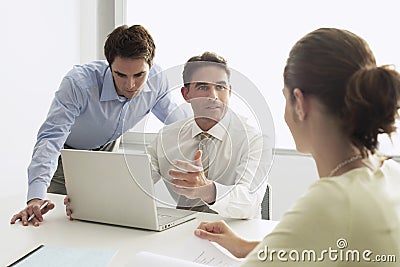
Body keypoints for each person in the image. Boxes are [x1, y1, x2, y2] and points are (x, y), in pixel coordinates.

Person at [194, 28, 400, 266]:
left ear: (300, 103)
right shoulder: (389, 172)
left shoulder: (329, 203)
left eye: (285, 97)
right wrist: (244, 247)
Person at [11, 25, 186, 227]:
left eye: (139, 75)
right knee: (55, 224)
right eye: (121, 75)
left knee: (102, 222)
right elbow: (51, 139)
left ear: (151, 64)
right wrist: (35, 197)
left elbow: (179, 125)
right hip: (66, 156)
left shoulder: (157, 81)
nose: (130, 85)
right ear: (109, 65)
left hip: (106, 153)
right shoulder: (78, 84)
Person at [147, 52, 272, 219]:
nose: (213, 96)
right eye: (203, 87)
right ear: (186, 94)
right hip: (181, 230)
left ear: (229, 91)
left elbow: (250, 203)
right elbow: (137, 181)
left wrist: (207, 190)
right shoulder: (166, 137)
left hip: (234, 233)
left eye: (220, 87)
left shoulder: (255, 141)